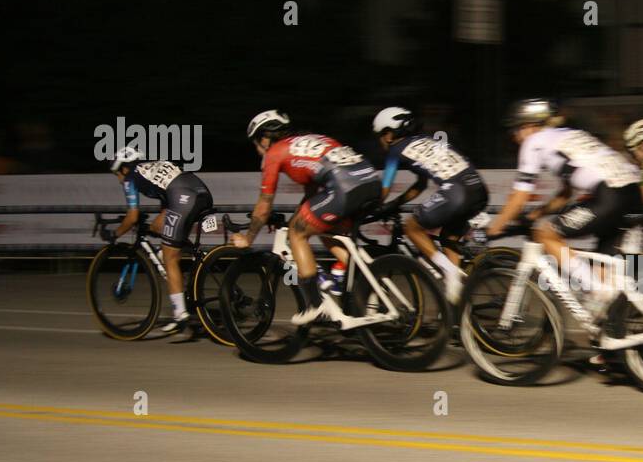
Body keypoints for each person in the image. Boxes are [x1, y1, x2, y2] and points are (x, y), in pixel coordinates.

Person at [231, 110, 384, 326]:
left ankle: (315, 304)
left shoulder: (274, 152)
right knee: (323, 230)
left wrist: (248, 238)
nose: (257, 148)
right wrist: (295, 218)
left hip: (344, 188)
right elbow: (312, 197)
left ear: (265, 137)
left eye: (256, 142)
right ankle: (372, 281)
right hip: (370, 182)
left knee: (297, 233)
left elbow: (264, 205)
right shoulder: (313, 139)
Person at [488, 99, 643, 306]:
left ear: (527, 127)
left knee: (545, 233)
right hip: (633, 194)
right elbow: (565, 194)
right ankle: (621, 312)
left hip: (609, 195)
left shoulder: (533, 142)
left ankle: (597, 290)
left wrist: (493, 229)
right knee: (605, 266)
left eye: (515, 130)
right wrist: (537, 213)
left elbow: (519, 196)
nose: (515, 137)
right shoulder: (568, 135)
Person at [372, 106, 489, 304]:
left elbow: (384, 189)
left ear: (389, 134)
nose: (380, 140)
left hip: (457, 192)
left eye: (380, 135)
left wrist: (374, 208)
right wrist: (397, 203)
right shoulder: (427, 141)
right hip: (478, 188)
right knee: (448, 237)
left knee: (412, 227)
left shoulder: (395, 150)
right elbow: (421, 184)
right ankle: (457, 303)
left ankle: (449, 270)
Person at [107, 146, 215, 335]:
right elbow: (162, 218)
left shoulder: (131, 176)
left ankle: (180, 314)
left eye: (117, 174)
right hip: (200, 192)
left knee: (169, 257)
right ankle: (193, 270)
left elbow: (132, 216)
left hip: (183, 196)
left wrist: (115, 234)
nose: (118, 179)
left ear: (123, 167)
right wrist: (148, 228)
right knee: (166, 236)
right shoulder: (152, 169)